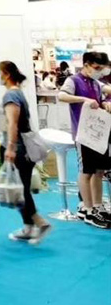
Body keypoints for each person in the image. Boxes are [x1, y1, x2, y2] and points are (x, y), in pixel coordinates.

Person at [0, 60, 52, 244]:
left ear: (6, 74)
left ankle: (40, 222)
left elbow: (13, 123)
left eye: (0, 73)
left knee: (19, 190)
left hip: (19, 149)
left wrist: (10, 147)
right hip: (22, 148)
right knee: (21, 188)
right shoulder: (17, 93)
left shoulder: (11, 95)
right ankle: (28, 226)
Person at [57, 51, 111, 228]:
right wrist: (83, 99)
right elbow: (62, 96)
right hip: (83, 134)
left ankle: (97, 206)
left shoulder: (96, 83)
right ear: (86, 64)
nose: (99, 71)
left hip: (99, 133)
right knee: (86, 172)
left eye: (101, 68)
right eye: (96, 67)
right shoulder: (73, 80)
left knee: (99, 171)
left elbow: (102, 98)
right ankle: (87, 209)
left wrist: (105, 103)